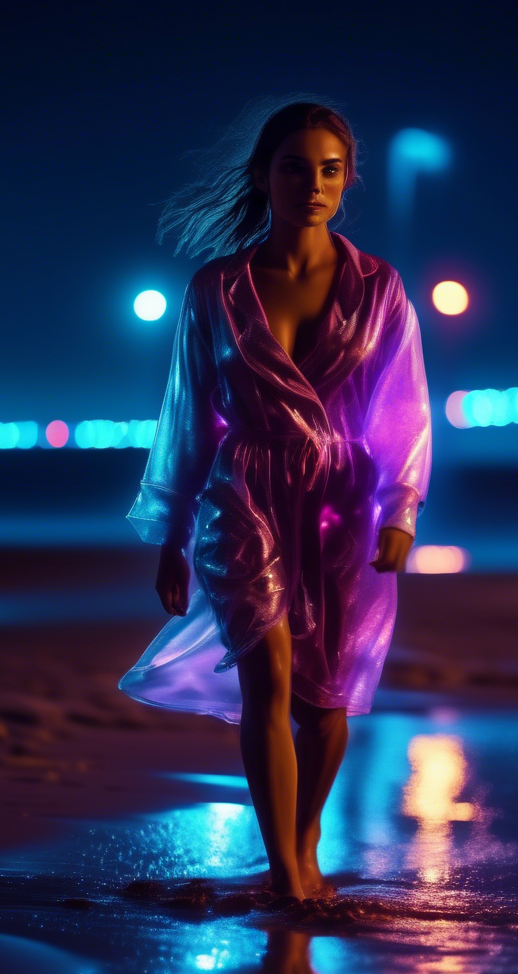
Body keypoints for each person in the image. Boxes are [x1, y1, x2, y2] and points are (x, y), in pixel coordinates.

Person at [119, 99, 431, 908]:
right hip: (242, 494)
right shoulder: (216, 290)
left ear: (347, 179)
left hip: (342, 502)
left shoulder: (380, 289)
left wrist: (401, 510)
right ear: (265, 176)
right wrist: (172, 534)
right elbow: (187, 416)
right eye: (295, 167)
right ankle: (288, 870)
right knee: (269, 674)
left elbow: (404, 407)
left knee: (326, 702)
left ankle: (302, 837)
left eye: (331, 169)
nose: (314, 185)